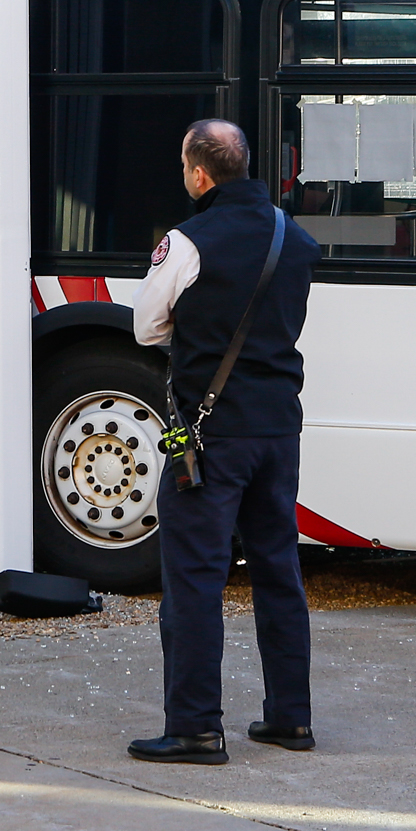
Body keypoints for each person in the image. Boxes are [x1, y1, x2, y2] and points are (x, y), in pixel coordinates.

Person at [128, 119, 321, 765]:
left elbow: (146, 329)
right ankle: (290, 719)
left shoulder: (187, 241)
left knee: (195, 580)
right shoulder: (291, 235)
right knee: (278, 573)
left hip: (211, 436)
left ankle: (194, 729)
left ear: (199, 174)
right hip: (279, 430)